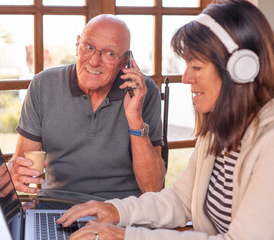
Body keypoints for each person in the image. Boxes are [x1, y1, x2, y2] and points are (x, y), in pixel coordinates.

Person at [57, 0, 274, 239]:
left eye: (197, 66)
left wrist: (125, 236)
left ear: (241, 69)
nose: (186, 77)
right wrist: (116, 210)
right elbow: (181, 199)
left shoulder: (270, 141)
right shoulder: (220, 130)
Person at [10, 14, 165, 199]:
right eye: (89, 47)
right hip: (58, 207)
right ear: (77, 45)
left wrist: (135, 117)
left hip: (122, 210)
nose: (94, 61)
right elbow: (21, 167)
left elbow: (153, 188)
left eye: (109, 53)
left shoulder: (144, 93)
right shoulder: (43, 85)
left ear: (125, 61)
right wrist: (16, 172)